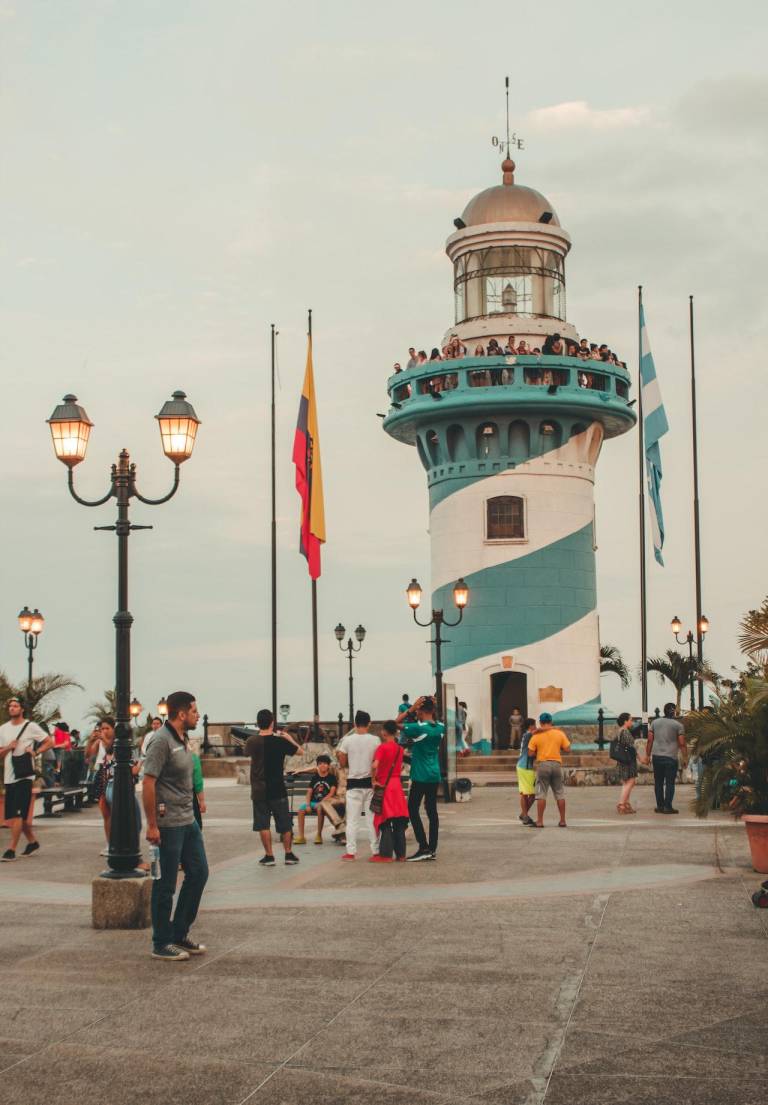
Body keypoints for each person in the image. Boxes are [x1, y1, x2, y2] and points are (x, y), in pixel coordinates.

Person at [143, 691, 209, 962]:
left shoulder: (182, 739)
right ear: (181, 713)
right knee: (165, 884)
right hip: (168, 824)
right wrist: (152, 825)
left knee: (199, 873)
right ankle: (161, 941)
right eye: (194, 711)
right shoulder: (161, 741)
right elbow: (147, 783)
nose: (197, 715)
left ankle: (179, 932)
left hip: (188, 820)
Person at [243, 709, 302, 866]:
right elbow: (301, 752)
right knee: (285, 823)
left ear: (257, 723)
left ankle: (269, 856)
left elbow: (246, 753)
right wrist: (289, 738)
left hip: (259, 790)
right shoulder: (280, 742)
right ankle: (288, 854)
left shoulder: (251, 741)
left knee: (263, 824)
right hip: (278, 788)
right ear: (272, 722)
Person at [0, 696, 54, 861]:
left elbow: (49, 742)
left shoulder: (30, 726)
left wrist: (36, 752)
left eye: (16, 706)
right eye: (11, 706)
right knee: (18, 816)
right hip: (10, 776)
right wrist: (9, 747)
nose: (12, 708)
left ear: (22, 709)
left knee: (17, 814)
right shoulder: (3, 729)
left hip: (24, 776)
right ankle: (32, 842)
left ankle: (11, 849)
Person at [398, 695, 444, 861]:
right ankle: (432, 848)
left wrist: (409, 710)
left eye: (418, 710)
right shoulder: (440, 727)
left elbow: (395, 724)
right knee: (432, 811)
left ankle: (423, 846)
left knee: (412, 809)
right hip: (434, 774)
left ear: (421, 710)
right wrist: (430, 706)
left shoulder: (418, 728)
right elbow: (434, 720)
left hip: (420, 775)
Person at [337, 710, 380, 860]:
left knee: (352, 821)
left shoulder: (347, 740)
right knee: (371, 819)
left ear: (355, 723)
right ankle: (375, 851)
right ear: (369, 723)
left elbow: (341, 760)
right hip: (370, 783)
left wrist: (346, 762)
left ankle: (351, 852)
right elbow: (377, 761)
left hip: (353, 784)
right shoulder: (375, 740)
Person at [370, 721, 409, 862]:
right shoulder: (399, 748)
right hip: (396, 786)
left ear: (385, 732)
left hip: (385, 785)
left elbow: (375, 765)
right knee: (398, 820)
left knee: (386, 820)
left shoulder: (382, 747)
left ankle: (385, 855)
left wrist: (373, 780)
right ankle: (401, 855)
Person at [526, 712, 571, 828]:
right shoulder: (559, 733)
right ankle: (562, 820)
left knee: (541, 794)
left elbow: (530, 753)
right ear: (551, 722)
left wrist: (539, 751)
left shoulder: (536, 736)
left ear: (540, 722)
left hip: (542, 766)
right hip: (556, 765)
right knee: (559, 793)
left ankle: (540, 821)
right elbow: (567, 749)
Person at [644, 703, 686, 814]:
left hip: (657, 757)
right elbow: (682, 743)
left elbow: (649, 740)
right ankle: (668, 807)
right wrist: (685, 757)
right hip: (671, 758)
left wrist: (648, 755)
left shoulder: (655, 722)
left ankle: (660, 806)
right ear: (674, 711)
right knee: (669, 783)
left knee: (658, 782)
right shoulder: (678, 725)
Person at [294, 754, 337, 845]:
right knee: (301, 810)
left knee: (319, 809)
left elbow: (332, 793)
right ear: (317, 766)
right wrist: (308, 804)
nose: (323, 765)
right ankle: (301, 836)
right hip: (313, 802)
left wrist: (321, 802)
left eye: (325, 763)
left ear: (329, 766)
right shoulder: (315, 778)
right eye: (320, 763)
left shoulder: (331, 778)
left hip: (325, 803)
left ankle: (318, 835)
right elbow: (309, 792)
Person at [614, 712, 639, 814]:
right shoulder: (625, 732)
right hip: (628, 761)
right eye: (630, 720)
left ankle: (626, 804)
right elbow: (631, 748)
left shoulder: (620, 731)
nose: (631, 722)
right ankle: (621, 804)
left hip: (623, 760)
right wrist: (640, 758)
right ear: (625, 721)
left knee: (626, 782)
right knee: (631, 782)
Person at [516, 717, 538, 825]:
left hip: (525, 766)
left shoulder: (527, 735)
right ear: (530, 726)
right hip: (525, 767)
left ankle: (523, 814)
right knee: (527, 794)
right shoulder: (529, 735)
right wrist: (549, 728)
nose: (536, 726)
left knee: (531, 794)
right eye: (535, 724)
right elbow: (537, 732)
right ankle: (524, 815)